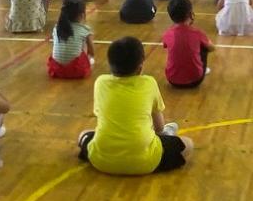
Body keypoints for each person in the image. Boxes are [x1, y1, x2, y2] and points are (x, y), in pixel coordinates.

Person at [80, 35, 187, 174]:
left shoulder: (100, 82)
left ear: (110, 65)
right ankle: (167, 136)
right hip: (145, 162)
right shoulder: (149, 83)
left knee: (83, 134)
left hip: (101, 161)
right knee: (187, 144)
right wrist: (162, 135)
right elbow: (159, 127)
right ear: (140, 67)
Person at [162, 0, 211, 88]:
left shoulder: (167, 33)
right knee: (204, 47)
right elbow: (212, 48)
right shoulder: (197, 33)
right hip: (196, 80)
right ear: (190, 13)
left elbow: (165, 45)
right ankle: (199, 68)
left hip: (172, 80)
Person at [47, 0, 94, 79]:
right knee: (83, 53)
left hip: (56, 70)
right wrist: (90, 59)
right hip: (76, 70)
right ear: (82, 15)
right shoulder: (84, 29)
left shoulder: (57, 28)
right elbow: (91, 51)